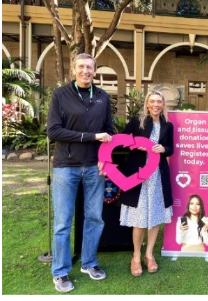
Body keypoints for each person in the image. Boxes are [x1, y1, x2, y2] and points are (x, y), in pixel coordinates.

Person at [46, 53, 114, 292]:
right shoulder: (61, 95)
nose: (86, 71)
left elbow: (109, 132)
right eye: (81, 67)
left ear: (95, 71)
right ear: (74, 70)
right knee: (63, 222)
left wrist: (106, 159)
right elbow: (54, 131)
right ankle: (61, 272)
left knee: (94, 218)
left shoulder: (103, 97)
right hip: (66, 166)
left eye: (90, 68)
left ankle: (89, 263)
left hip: (95, 168)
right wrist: (90, 137)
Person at [118, 90, 175, 276]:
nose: (156, 104)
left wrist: (162, 148)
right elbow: (122, 141)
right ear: (147, 104)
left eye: (159, 101)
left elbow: (171, 149)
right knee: (140, 218)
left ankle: (149, 254)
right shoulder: (138, 121)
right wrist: (136, 145)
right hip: (140, 176)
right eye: (153, 101)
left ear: (163, 104)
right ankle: (136, 256)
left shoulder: (168, 125)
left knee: (156, 215)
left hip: (158, 175)